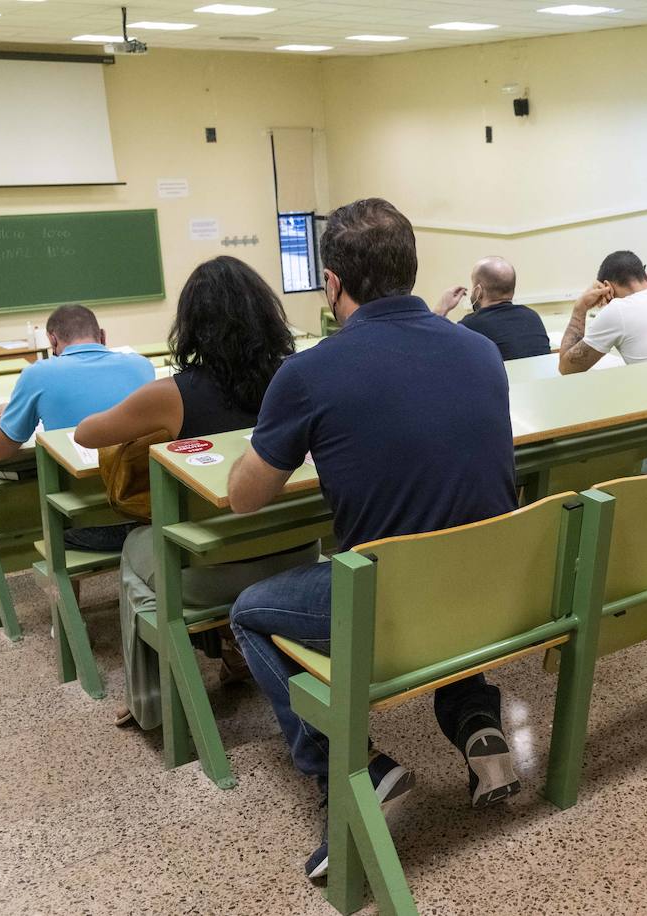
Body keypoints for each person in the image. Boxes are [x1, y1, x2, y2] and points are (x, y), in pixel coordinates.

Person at [225, 198, 520, 881]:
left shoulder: (308, 373)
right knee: (444, 539)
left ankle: (354, 769)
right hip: (497, 587)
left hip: (394, 602)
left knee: (248, 614)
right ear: (411, 270)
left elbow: (246, 499)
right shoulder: (480, 350)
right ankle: (480, 726)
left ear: (332, 284)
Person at [74, 256, 316, 731]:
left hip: (213, 574)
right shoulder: (298, 377)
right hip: (300, 557)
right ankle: (232, 654)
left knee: (137, 551)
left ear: (192, 325)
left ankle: (153, 702)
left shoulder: (172, 394)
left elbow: (86, 434)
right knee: (201, 537)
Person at [0, 303, 154, 551]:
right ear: (103, 336)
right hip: (138, 497)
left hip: (77, 510)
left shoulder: (38, 374)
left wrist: (4, 415)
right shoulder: (141, 365)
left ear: (52, 340)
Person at [432, 256, 551, 360]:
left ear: (478, 291)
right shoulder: (532, 317)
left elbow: (431, 348)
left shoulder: (470, 326)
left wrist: (441, 308)